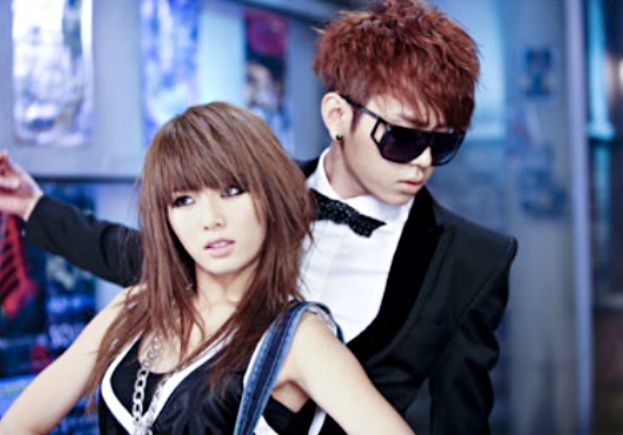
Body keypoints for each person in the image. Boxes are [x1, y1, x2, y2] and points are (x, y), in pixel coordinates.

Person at [0, 1, 517, 434]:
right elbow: (146, 253)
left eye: (442, 144)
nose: (424, 162)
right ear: (338, 116)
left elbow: (461, 417)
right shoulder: (253, 189)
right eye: (402, 138)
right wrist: (34, 208)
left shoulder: (471, 259)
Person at [0, 102, 414, 435]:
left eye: (232, 191)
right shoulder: (133, 309)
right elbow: (18, 425)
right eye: (184, 200)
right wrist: (33, 205)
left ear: (271, 197)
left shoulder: (298, 339)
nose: (211, 219)